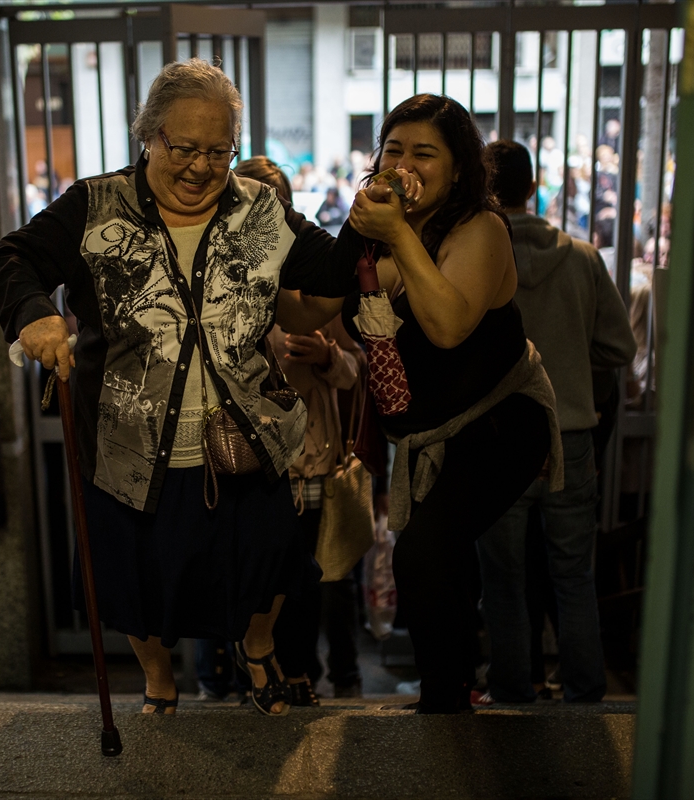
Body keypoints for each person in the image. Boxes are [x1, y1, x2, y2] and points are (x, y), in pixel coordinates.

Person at [0, 59, 366, 717]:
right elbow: (8, 261)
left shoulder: (257, 212)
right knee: (135, 577)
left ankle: (259, 644)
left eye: (219, 151)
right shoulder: (97, 206)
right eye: (182, 148)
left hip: (239, 434)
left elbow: (329, 269)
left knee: (272, 557)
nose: (200, 167)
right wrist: (34, 312)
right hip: (130, 438)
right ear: (148, 137)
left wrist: (365, 223)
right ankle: (159, 679)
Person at [282, 94, 563, 714]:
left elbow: (447, 325)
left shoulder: (480, 229)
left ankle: (443, 705)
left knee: (423, 552)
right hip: (429, 432)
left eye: (424, 153)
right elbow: (309, 309)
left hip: (501, 419)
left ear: (458, 167)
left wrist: (395, 234)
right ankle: (456, 694)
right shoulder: (371, 238)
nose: (404, 163)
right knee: (442, 558)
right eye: (394, 149)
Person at [193, 156, 365, 707]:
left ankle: (303, 674)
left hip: (309, 457)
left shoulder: (315, 278)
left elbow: (354, 371)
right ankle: (247, 677)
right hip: (244, 460)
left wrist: (327, 355)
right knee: (249, 575)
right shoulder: (219, 281)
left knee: (308, 580)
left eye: (276, 203)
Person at [475, 140, 637, 703]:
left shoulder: (473, 258)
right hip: (570, 436)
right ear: (533, 188)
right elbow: (620, 347)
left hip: (498, 440)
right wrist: (569, 371)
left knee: (503, 581)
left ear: (484, 190)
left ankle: (512, 692)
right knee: (574, 576)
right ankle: (585, 695)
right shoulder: (584, 257)